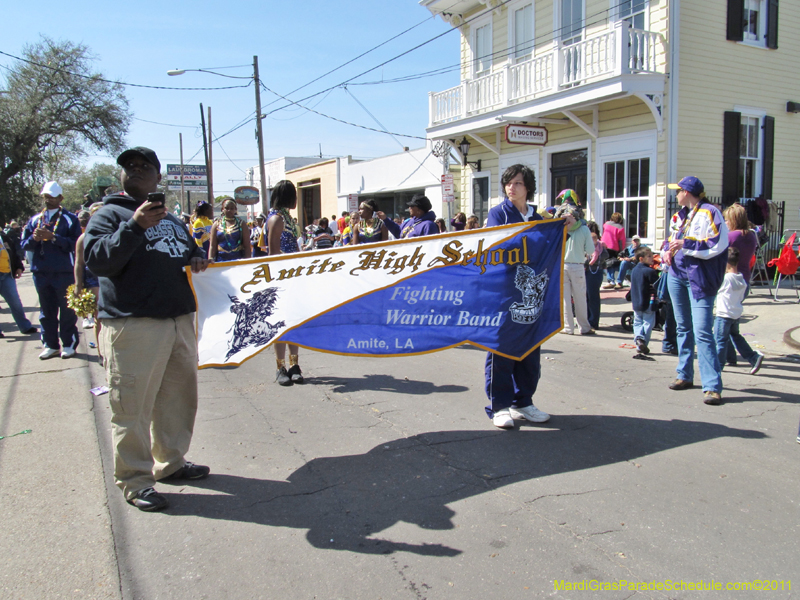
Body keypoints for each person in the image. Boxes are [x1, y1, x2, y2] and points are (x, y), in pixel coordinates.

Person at [84, 146, 211, 512]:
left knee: (177, 400)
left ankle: (170, 462)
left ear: (158, 177)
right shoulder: (109, 215)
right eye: (129, 166)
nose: (136, 169)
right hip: (134, 324)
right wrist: (134, 226)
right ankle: (136, 480)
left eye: (144, 166)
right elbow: (98, 260)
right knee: (132, 407)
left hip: (178, 321)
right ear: (122, 176)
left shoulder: (172, 220)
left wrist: (197, 257)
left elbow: (187, 253)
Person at [484, 164, 550, 429]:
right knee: (502, 348)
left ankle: (523, 401)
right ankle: (499, 406)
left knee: (530, 347)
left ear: (528, 187)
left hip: (533, 293)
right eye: (508, 183)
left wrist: (567, 224)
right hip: (504, 291)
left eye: (518, 183)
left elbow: (551, 243)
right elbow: (496, 245)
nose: (511, 187)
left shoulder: (538, 217)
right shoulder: (498, 213)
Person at [663, 176, 728, 405]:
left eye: (678, 191)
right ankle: (684, 374)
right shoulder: (679, 215)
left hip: (699, 279)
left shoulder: (711, 212)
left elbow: (718, 243)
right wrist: (666, 251)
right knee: (683, 328)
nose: (676, 195)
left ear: (687, 192)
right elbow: (670, 240)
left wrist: (686, 244)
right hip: (676, 276)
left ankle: (712, 386)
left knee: (702, 331)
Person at [20, 181, 82, 359]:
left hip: (63, 272)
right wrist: (34, 239)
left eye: (52, 197)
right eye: (46, 197)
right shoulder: (35, 220)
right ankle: (50, 345)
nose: (48, 200)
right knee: (46, 311)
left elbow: (76, 243)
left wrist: (54, 237)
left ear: (60, 198)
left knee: (67, 310)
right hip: (41, 272)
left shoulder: (70, 219)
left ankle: (69, 344)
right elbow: (24, 244)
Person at [265, 180, 304, 385]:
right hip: (281, 279)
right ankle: (280, 367)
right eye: (294, 195)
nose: (296, 199)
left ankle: (294, 365)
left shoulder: (287, 217)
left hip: (294, 276)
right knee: (280, 324)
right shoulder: (276, 219)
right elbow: (273, 254)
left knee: (294, 322)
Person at [714, 247, 764, 376]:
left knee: (720, 340)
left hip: (723, 314)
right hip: (735, 313)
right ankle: (752, 357)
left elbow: (715, 289)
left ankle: (718, 365)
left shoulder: (726, 279)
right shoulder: (741, 279)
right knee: (736, 337)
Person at [722, 203, 758, 366]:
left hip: (730, 279)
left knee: (725, 322)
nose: (725, 222)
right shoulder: (751, 236)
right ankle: (730, 356)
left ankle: (750, 356)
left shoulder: (731, 237)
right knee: (732, 320)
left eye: (727, 220)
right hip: (744, 279)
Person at [557, 204, 595, 336]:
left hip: (562, 265)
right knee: (580, 298)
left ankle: (568, 327)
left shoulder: (560, 229)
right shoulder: (584, 229)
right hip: (578, 265)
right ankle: (584, 327)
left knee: (565, 298)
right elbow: (590, 250)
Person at [0, 227, 38, 339]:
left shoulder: (4, 237)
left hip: (7, 275)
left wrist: (19, 267)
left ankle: (25, 327)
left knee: (15, 302)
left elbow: (13, 253)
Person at [73, 203, 103, 332]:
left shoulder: (116, 233)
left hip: (113, 277)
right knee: (99, 315)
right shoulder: (83, 238)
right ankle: (99, 345)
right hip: (93, 279)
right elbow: (79, 263)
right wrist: (78, 285)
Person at [630, 246, 660, 354]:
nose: (652, 258)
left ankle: (638, 339)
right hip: (648, 301)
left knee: (637, 322)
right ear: (641, 259)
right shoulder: (650, 271)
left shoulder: (634, 270)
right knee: (648, 323)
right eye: (649, 256)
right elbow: (657, 285)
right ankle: (643, 342)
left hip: (636, 301)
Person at [209, 197, 251, 262]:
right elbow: (212, 246)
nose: (229, 210)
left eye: (232, 208)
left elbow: (247, 246)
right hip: (221, 261)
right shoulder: (216, 224)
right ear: (222, 209)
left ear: (235, 209)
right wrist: (210, 259)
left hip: (238, 261)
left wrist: (248, 262)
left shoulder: (241, 224)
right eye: (226, 208)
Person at [584, 221, 607, 330]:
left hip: (594, 272)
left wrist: (588, 262)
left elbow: (604, 256)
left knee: (592, 296)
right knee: (587, 296)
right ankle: (588, 319)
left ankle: (593, 321)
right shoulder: (587, 244)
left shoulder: (600, 246)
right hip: (588, 272)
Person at [601, 212, 626, 288]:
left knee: (608, 264)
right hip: (613, 246)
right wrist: (622, 250)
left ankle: (611, 280)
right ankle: (614, 281)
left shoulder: (606, 224)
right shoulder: (620, 227)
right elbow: (621, 240)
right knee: (612, 264)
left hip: (604, 245)